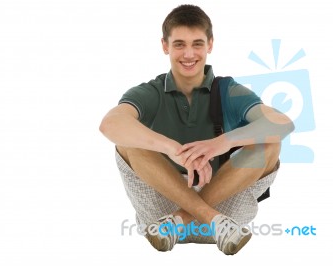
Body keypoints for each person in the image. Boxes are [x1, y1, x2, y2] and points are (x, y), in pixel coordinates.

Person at [99, 4, 294, 255]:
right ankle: (200, 216)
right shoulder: (150, 92)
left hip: (226, 212)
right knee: (127, 139)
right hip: (161, 214)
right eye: (179, 44)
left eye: (197, 44)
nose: (189, 53)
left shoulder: (229, 91)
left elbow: (282, 123)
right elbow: (110, 124)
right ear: (165, 46)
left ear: (210, 45)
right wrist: (172, 149)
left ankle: (185, 219)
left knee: (270, 142)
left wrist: (221, 142)